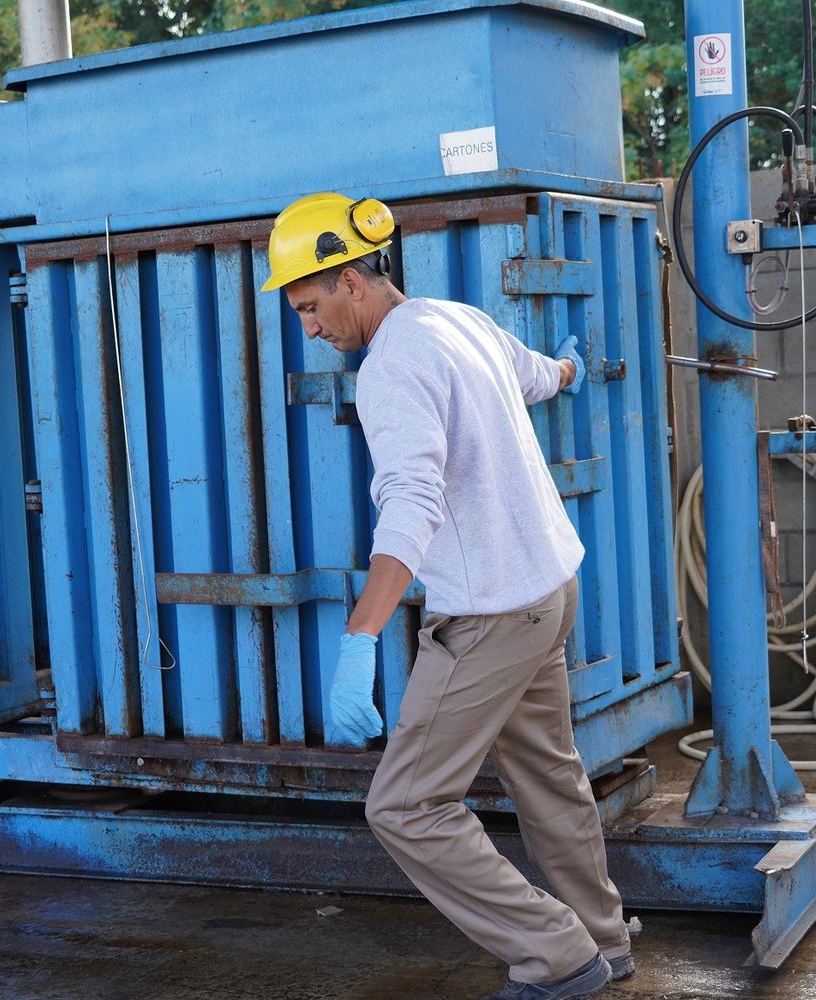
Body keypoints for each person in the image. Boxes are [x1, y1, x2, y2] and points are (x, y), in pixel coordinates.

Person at [260, 192, 632, 1000]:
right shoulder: (455, 320)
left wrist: (362, 635)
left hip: (493, 613)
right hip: (549, 589)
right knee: (548, 775)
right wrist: (569, 370)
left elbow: (413, 503)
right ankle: (603, 937)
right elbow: (536, 374)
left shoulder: (390, 368)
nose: (310, 328)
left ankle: (556, 956)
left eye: (310, 305)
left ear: (353, 278)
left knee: (406, 806)